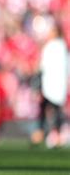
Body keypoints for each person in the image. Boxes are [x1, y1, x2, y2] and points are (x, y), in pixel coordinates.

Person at [31, 18, 68, 148]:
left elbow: (42, 66)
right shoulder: (61, 47)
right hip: (54, 84)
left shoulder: (55, 47)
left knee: (52, 109)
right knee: (48, 108)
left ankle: (52, 133)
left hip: (53, 83)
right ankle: (45, 132)